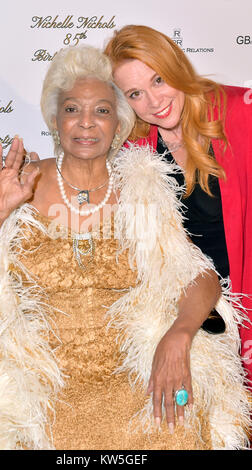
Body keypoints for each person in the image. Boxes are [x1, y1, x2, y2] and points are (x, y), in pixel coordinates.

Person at [0, 46, 249, 450]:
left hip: (138, 371)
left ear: (119, 123)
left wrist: (179, 334)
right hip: (43, 380)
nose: (87, 123)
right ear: (55, 120)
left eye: (103, 111)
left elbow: (196, 273)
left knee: (180, 422)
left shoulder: (140, 189)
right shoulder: (19, 183)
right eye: (73, 109)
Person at [104, 24, 252, 384]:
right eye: (135, 93)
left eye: (158, 80)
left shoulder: (241, 111)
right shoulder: (132, 147)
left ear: (176, 67)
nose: (154, 102)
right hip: (191, 310)